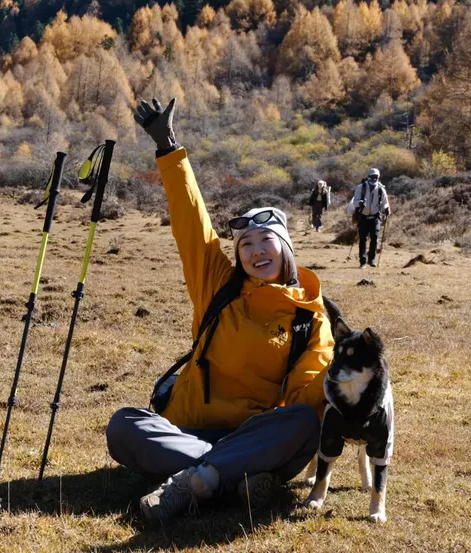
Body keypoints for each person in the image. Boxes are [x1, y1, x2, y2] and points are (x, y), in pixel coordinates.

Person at [106, 98, 334, 526]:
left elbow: (308, 395)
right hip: (185, 431)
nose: (254, 251)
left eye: (265, 240)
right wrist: (168, 146)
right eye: (245, 245)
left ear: (285, 248)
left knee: (304, 422)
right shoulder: (219, 286)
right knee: (124, 425)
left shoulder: (309, 317)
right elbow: (193, 222)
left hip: (255, 437)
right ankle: (227, 478)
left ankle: (197, 482)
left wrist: (340, 385)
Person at [347, 168, 390, 268]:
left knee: (374, 237)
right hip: (363, 217)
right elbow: (355, 202)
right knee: (363, 239)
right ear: (368, 176)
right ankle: (363, 261)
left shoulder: (380, 189)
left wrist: (386, 208)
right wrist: (360, 203)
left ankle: (372, 259)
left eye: (376, 177)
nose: (374, 178)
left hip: (376, 217)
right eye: (372, 176)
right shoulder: (361, 188)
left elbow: (385, 202)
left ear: (378, 177)